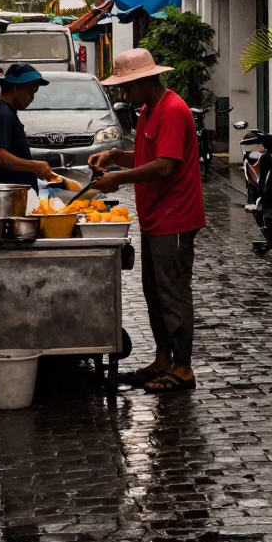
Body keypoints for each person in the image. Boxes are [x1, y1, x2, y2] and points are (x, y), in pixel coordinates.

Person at [90, 48, 205, 393]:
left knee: (173, 293)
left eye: (127, 87)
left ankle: (183, 368)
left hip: (176, 218)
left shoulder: (171, 111)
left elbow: (165, 165)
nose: (123, 94)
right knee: (154, 293)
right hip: (155, 218)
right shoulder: (147, 112)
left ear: (144, 81)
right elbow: (145, 157)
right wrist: (114, 156)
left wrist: (118, 180)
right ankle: (162, 360)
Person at [0, 63, 55, 188]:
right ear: (15, 89)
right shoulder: (2, 114)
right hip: (5, 197)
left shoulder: (6, 112)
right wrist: (35, 166)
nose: (32, 98)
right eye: (30, 92)